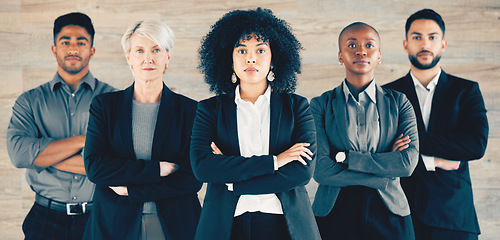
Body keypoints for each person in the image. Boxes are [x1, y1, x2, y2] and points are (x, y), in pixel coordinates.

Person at [190, 8, 320, 240]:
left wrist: (232, 180)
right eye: (242, 50)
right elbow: (203, 168)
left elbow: (302, 172)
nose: (251, 58)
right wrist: (276, 161)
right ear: (229, 59)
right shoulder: (209, 109)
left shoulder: (298, 107)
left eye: (261, 50)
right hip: (226, 225)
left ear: (274, 59)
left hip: (285, 225)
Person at [83, 20, 202, 240]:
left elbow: (193, 178)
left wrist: (132, 190)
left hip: (175, 225)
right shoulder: (105, 106)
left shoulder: (190, 110)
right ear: (129, 58)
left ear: (167, 57)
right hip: (114, 224)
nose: (148, 58)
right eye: (139, 50)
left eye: (156, 49)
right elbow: (95, 168)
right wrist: (157, 169)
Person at [6, 12, 115, 239]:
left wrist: (43, 157)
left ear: (92, 51)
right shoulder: (30, 101)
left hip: (100, 217)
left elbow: (116, 166)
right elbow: (18, 154)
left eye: (81, 42)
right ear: (54, 49)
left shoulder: (113, 100)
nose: (73, 48)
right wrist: (86, 141)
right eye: (65, 42)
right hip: (45, 219)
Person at [383, 9, 488, 240]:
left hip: (454, 217)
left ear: (443, 44)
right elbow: (383, 155)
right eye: (417, 37)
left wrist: (412, 143)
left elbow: (476, 146)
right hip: (400, 214)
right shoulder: (387, 95)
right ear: (405, 44)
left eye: (432, 37)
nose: (424, 43)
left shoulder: (466, 91)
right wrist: (436, 161)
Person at [311, 22, 419, 240]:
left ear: (379, 55)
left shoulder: (399, 103)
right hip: (334, 213)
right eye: (352, 45)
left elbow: (407, 164)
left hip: (390, 213)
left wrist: (344, 158)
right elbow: (320, 170)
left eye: (369, 45)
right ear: (340, 56)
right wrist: (383, 172)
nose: (361, 50)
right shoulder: (320, 104)